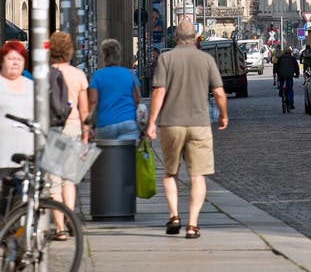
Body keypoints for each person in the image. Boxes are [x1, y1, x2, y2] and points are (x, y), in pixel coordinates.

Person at [147, 19, 228, 240]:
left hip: (171, 123)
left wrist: (151, 122)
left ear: (175, 38)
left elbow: (158, 92)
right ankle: (192, 225)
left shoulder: (165, 59)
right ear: (196, 38)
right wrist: (223, 115)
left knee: (170, 173)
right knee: (197, 176)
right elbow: (219, 92)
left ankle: (174, 216)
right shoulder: (206, 60)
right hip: (199, 124)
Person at [48, 31, 89, 240]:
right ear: (69, 50)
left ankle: (59, 229)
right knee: (69, 179)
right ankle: (70, 218)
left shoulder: (45, 74)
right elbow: (84, 110)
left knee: (54, 181)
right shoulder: (78, 75)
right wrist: (85, 136)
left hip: (52, 129)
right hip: (73, 128)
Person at [88, 39, 139, 140]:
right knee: (129, 149)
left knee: (105, 150)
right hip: (128, 122)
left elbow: (93, 102)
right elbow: (137, 100)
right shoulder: (130, 74)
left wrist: (89, 124)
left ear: (104, 56)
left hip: (104, 124)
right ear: (119, 55)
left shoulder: (97, 75)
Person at [0, 41, 34, 171]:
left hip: (27, 157)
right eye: (11, 59)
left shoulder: (32, 86)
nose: (15, 63)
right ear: (2, 61)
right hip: (2, 156)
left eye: (19, 59)